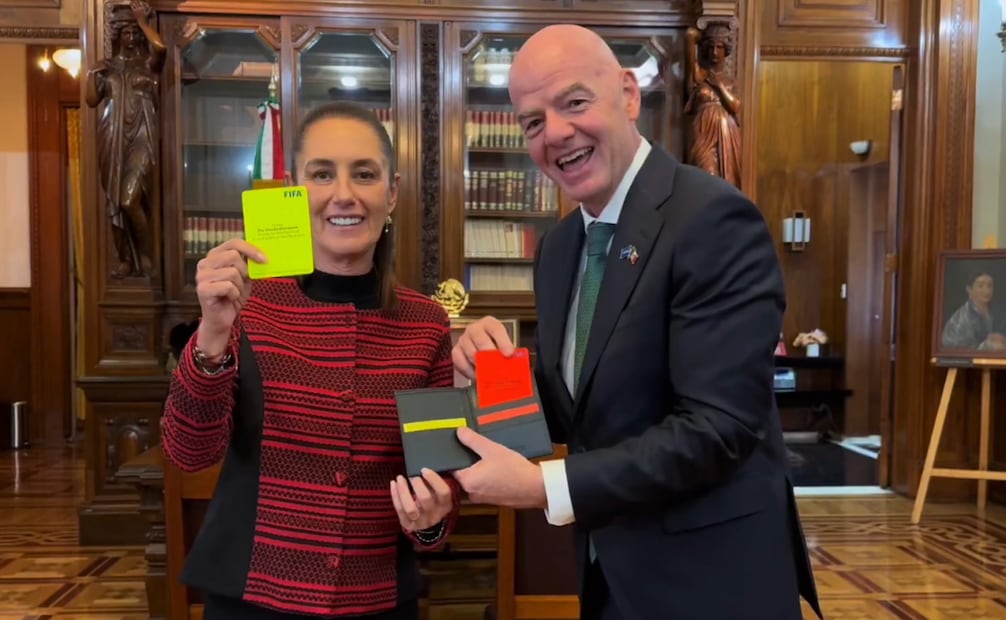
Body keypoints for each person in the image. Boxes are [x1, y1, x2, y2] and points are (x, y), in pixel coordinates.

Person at [450, 24, 822, 620]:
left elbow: (717, 428)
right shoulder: (561, 247)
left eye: (574, 102)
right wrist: (492, 371)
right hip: (610, 577)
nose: (556, 133)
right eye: (533, 122)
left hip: (711, 584)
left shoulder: (714, 220)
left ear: (628, 94)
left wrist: (546, 487)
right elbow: (582, 403)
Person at [161, 101, 461, 620]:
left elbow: (440, 481)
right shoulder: (247, 307)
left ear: (391, 192)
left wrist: (432, 519)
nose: (343, 194)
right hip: (252, 599)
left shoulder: (426, 324)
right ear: (293, 191)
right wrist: (212, 332)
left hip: (377, 600)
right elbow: (189, 453)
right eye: (322, 174)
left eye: (364, 174)